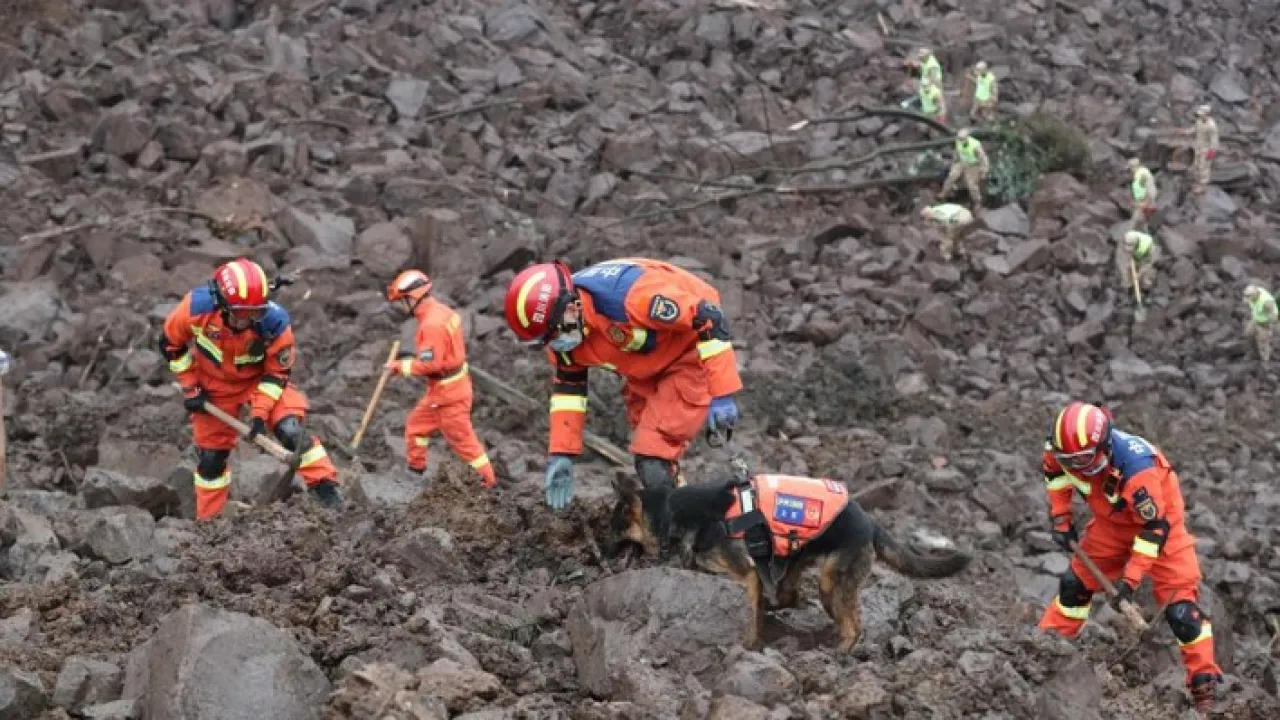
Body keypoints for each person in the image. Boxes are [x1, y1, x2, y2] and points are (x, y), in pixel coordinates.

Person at [503, 258, 743, 510]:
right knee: (656, 458)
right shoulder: (567, 334)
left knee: (653, 458)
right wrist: (561, 453)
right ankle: (684, 514)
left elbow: (709, 317)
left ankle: (674, 528)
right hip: (643, 368)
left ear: (572, 308)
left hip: (690, 353)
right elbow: (569, 390)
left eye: (553, 334)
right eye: (545, 340)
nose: (553, 344)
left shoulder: (631, 299)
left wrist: (721, 392)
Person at [1038, 402, 1222, 712]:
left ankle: (1204, 686)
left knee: (1182, 614)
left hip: (1161, 528)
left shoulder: (1138, 470)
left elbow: (1154, 530)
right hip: (1111, 524)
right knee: (1073, 587)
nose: (1075, 466)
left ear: (1104, 447)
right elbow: (1055, 475)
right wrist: (1061, 519)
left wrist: (1129, 582)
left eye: (1082, 460)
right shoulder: (1061, 451)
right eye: (1069, 460)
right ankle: (1044, 651)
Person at [160, 258, 342, 520]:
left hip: (258, 381)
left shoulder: (274, 323)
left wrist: (259, 413)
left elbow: (276, 374)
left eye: (254, 313)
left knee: (291, 430)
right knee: (211, 460)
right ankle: (209, 524)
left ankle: (329, 495)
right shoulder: (195, 309)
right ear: (221, 304)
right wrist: (191, 387)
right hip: (213, 387)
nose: (247, 321)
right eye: (241, 314)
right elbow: (170, 346)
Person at [384, 270, 495, 488]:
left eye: (402, 301)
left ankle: (488, 483)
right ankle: (415, 472)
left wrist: (400, 366)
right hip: (445, 390)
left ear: (412, 298)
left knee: (465, 444)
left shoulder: (431, 325)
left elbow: (431, 364)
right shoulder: (442, 311)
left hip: (449, 396)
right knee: (416, 426)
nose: (401, 306)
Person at [941, 128, 988, 205]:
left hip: (973, 165)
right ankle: (944, 193)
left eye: (962, 139)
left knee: (971, 185)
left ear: (967, 138)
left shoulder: (975, 145)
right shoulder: (958, 141)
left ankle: (977, 201)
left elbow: (983, 159)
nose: (960, 140)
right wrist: (954, 161)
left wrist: (984, 171)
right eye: (959, 138)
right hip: (961, 162)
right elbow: (957, 151)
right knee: (952, 176)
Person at [1182, 105, 1219, 194]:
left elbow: (1214, 140)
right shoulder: (1199, 121)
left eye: (1202, 114)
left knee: (1204, 168)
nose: (1200, 115)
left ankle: (1203, 186)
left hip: (1206, 149)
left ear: (1207, 114)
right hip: (1198, 147)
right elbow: (1194, 129)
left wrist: (1212, 151)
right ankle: (1197, 183)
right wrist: (1185, 132)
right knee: (1197, 165)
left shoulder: (1211, 126)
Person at [1242, 284, 1277, 369]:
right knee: (1248, 334)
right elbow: (1249, 303)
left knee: (1263, 342)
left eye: (1249, 298)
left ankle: (1265, 361)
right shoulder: (1253, 293)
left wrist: (1269, 328)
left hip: (1265, 322)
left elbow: (1273, 316)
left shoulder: (1266, 302)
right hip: (1256, 318)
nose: (1248, 300)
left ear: (1255, 295)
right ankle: (1254, 353)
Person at [1128, 158, 1157, 231]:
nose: (1130, 171)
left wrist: (1141, 203)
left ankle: (1133, 235)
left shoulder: (1139, 175)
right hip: (1149, 199)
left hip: (1145, 201)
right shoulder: (1145, 171)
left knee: (1135, 221)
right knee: (1143, 222)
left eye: (1130, 168)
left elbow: (1144, 190)